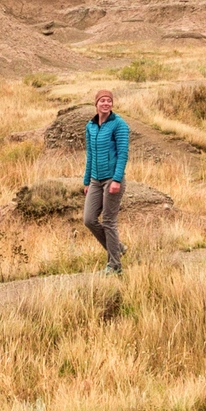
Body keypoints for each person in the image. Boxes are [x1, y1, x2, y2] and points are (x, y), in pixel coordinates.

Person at [82, 88, 130, 274]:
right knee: (88, 219)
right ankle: (117, 247)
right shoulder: (91, 126)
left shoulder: (119, 125)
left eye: (108, 100)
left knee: (109, 221)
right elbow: (90, 155)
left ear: (112, 104)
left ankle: (115, 265)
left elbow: (123, 154)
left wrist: (116, 180)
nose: (105, 103)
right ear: (96, 103)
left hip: (112, 179)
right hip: (95, 180)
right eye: (102, 100)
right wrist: (87, 181)